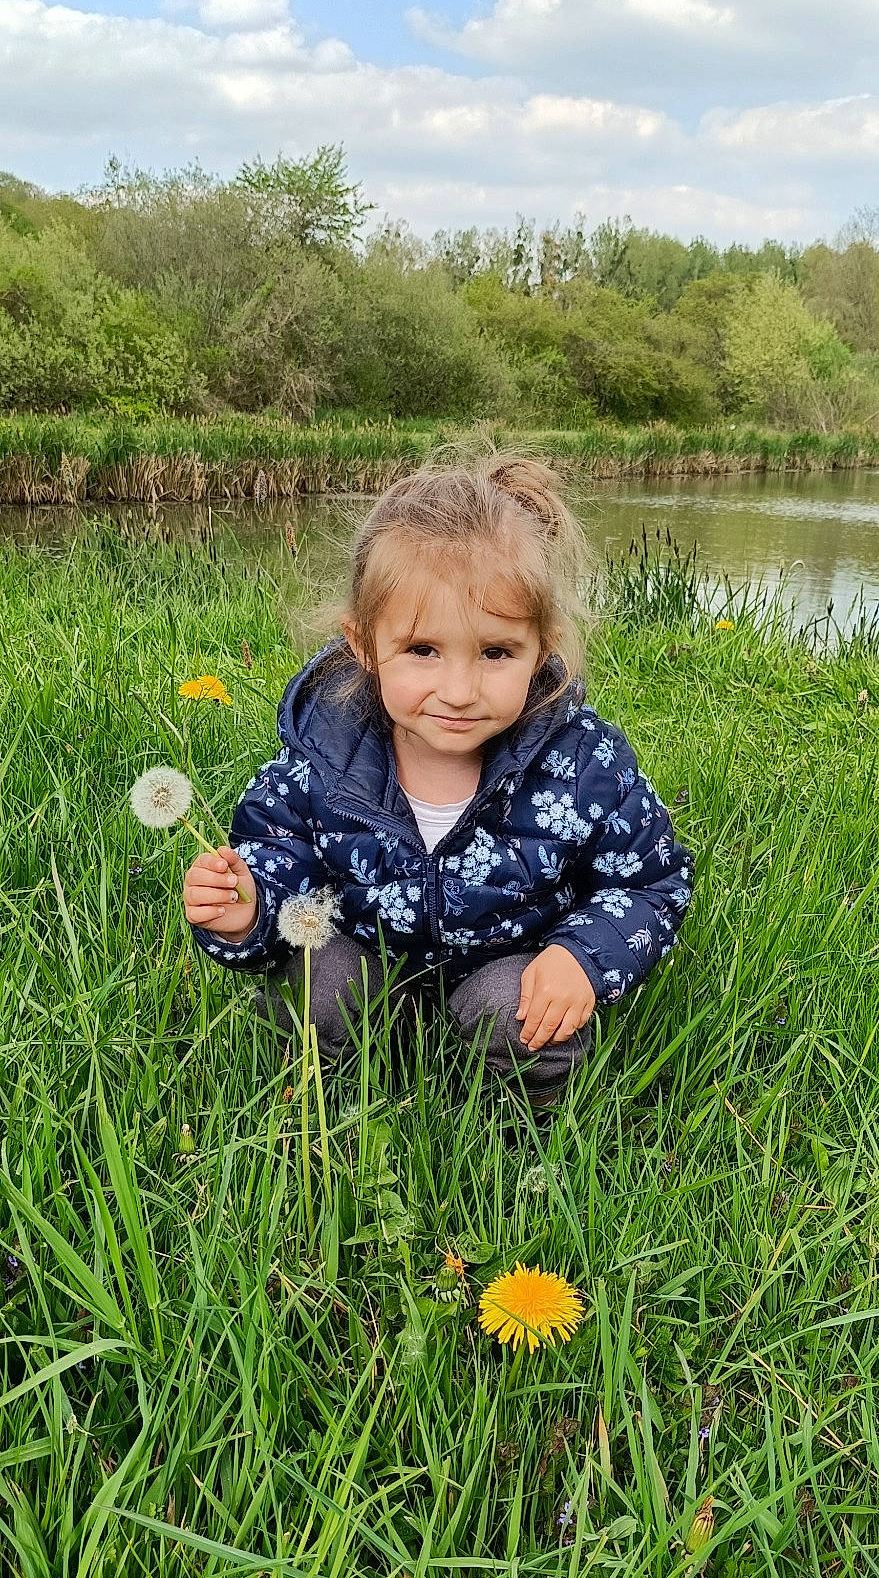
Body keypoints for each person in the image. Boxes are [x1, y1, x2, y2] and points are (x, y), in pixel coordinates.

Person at [183, 456, 694, 1106]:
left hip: (505, 972)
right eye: (423, 650)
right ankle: (326, 1121)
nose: (457, 692)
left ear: (543, 647)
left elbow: (651, 883)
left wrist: (583, 960)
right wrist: (246, 913)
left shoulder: (583, 764)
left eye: (495, 653)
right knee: (319, 984)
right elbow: (282, 865)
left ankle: (516, 1153)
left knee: (519, 1012)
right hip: (368, 964)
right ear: (364, 644)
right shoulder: (320, 761)